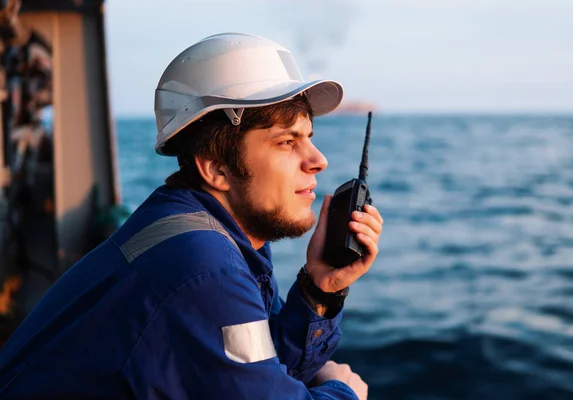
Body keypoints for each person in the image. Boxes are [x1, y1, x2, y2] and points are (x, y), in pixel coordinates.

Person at [0, 32, 383, 399]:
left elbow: (253, 373)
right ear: (215, 167)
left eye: (309, 138)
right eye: (287, 142)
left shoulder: (212, 236)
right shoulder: (203, 267)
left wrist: (321, 288)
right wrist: (344, 391)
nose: (318, 161)